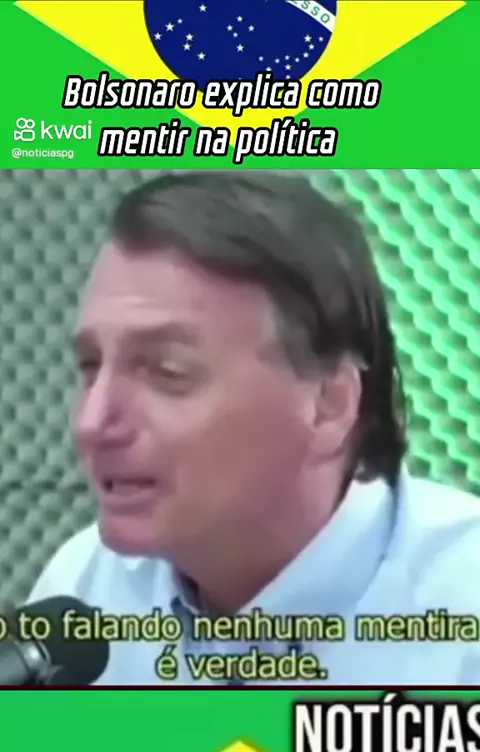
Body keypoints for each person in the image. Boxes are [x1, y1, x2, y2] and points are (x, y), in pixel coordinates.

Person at [28, 171, 480, 686]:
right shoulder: (82, 589)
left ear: (329, 404)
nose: (91, 423)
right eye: (90, 368)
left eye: (167, 371)